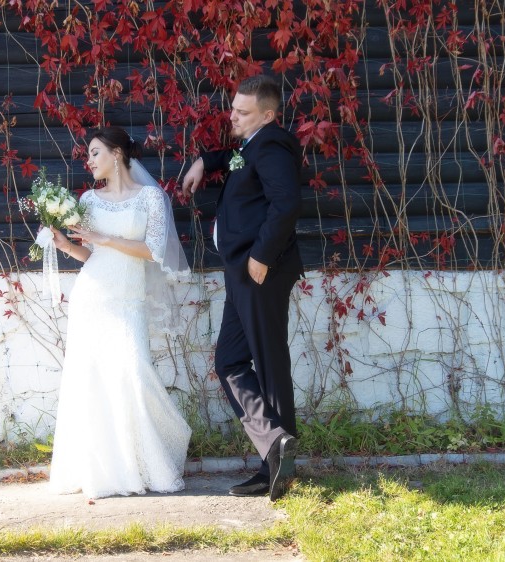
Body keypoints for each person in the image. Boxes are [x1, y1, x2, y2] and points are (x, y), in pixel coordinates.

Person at [47, 126, 192, 499]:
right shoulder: (89, 200)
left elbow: (154, 250)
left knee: (133, 374)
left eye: (95, 152)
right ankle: (98, 471)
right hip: (92, 297)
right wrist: (66, 245)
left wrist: (105, 238)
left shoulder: (150, 198)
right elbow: (91, 254)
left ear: (116, 154)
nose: (89, 160)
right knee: (91, 382)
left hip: (128, 300)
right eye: (88, 154)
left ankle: (138, 466)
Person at [182, 75, 303, 501]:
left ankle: (278, 470)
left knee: (269, 364)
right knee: (230, 360)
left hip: (260, 271)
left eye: (242, 112)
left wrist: (261, 257)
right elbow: (238, 159)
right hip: (242, 272)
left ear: (267, 116)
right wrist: (206, 159)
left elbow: (286, 203)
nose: (232, 116)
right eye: (233, 108)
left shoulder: (271, 146)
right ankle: (275, 446)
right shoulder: (253, 146)